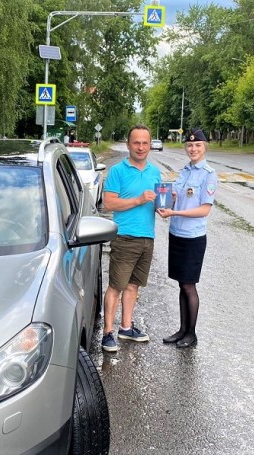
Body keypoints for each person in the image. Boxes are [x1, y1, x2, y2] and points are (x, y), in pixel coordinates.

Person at [100, 125, 162, 352]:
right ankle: (107, 333)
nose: (141, 147)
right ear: (128, 145)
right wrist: (138, 200)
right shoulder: (118, 171)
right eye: (136, 143)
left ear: (150, 145)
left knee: (133, 285)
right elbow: (109, 203)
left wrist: (166, 202)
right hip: (125, 236)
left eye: (145, 143)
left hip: (147, 236)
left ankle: (126, 328)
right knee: (116, 286)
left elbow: (155, 203)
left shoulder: (155, 172)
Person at [156, 128, 217, 348]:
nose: (193, 149)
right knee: (182, 284)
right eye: (190, 145)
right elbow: (177, 197)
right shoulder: (184, 171)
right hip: (177, 233)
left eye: (198, 145)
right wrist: (169, 198)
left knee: (189, 285)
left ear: (204, 147)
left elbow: (204, 210)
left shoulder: (208, 174)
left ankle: (191, 333)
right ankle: (182, 329)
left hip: (193, 237)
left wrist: (174, 212)